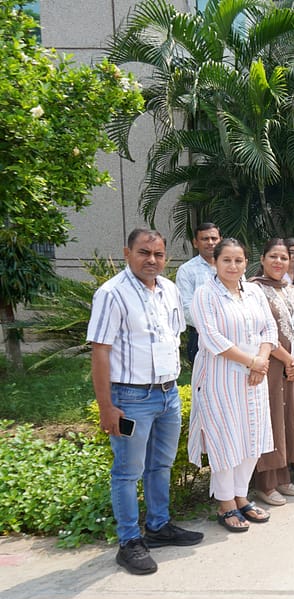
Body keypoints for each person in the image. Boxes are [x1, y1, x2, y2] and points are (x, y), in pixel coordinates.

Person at [88, 228, 203, 574]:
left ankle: (158, 526)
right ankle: (129, 542)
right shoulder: (112, 294)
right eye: (143, 253)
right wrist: (107, 406)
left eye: (158, 254)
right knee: (127, 472)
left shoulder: (169, 290)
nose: (151, 260)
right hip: (131, 397)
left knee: (160, 465)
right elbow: (100, 352)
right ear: (127, 253)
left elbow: (171, 339)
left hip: (167, 393)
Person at [189, 238, 277, 532]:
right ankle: (225, 503)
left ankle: (242, 497)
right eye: (226, 260)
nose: (233, 266)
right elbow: (212, 338)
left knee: (252, 436)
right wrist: (252, 362)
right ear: (214, 262)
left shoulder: (253, 292)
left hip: (254, 377)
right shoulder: (205, 294)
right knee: (226, 439)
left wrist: (261, 361)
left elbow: (269, 328)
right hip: (221, 377)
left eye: (238, 260)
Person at [249, 239, 294, 506]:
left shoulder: (291, 289)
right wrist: (287, 360)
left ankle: (284, 476)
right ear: (262, 259)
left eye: (284, 258)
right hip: (271, 367)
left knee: (289, 418)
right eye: (273, 256)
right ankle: (266, 483)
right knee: (271, 419)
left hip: (293, 366)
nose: (278, 262)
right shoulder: (254, 289)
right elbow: (260, 331)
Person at [175, 221, 220, 364]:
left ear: (221, 240)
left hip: (233, 335)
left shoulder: (233, 267)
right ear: (195, 243)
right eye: (205, 239)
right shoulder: (187, 270)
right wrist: (212, 328)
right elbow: (186, 308)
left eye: (214, 238)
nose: (210, 242)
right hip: (201, 336)